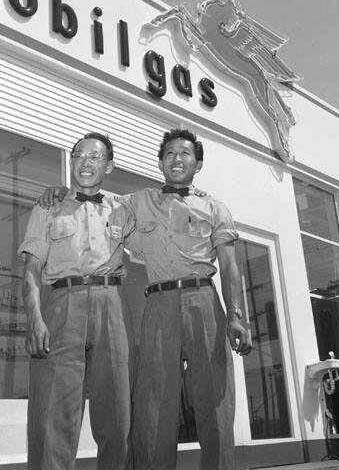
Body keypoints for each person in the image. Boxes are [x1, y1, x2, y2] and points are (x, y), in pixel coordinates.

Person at [39, 128, 252, 470]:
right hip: (158, 305)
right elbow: (91, 195)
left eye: (184, 153)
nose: (176, 159)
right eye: (169, 153)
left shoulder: (215, 208)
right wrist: (62, 192)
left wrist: (237, 315)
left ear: (197, 163)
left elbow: (228, 265)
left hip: (204, 302)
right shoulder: (137, 201)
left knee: (215, 402)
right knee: (153, 406)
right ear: (160, 162)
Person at [19, 132, 134, 470]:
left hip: (111, 304)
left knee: (117, 416)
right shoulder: (48, 207)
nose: (85, 161)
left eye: (94, 156)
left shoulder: (124, 208)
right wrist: (34, 318)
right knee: (52, 413)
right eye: (78, 155)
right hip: (62, 304)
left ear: (109, 165)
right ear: (70, 161)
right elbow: (30, 269)